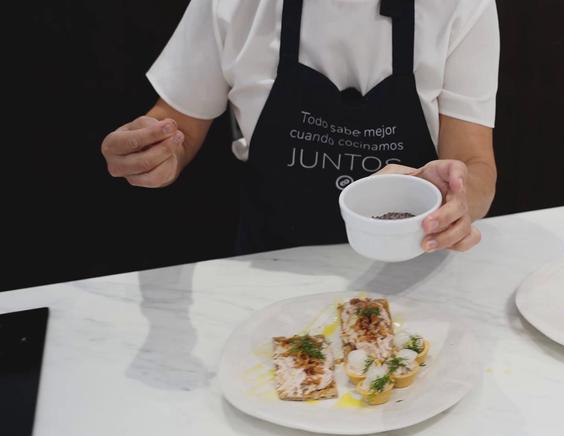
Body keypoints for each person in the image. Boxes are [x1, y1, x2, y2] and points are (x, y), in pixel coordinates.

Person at [100, 0, 499, 255]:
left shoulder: (462, 6)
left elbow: (472, 162)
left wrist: (458, 202)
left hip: (408, 270)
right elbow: (179, 121)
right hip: (270, 270)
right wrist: (153, 152)